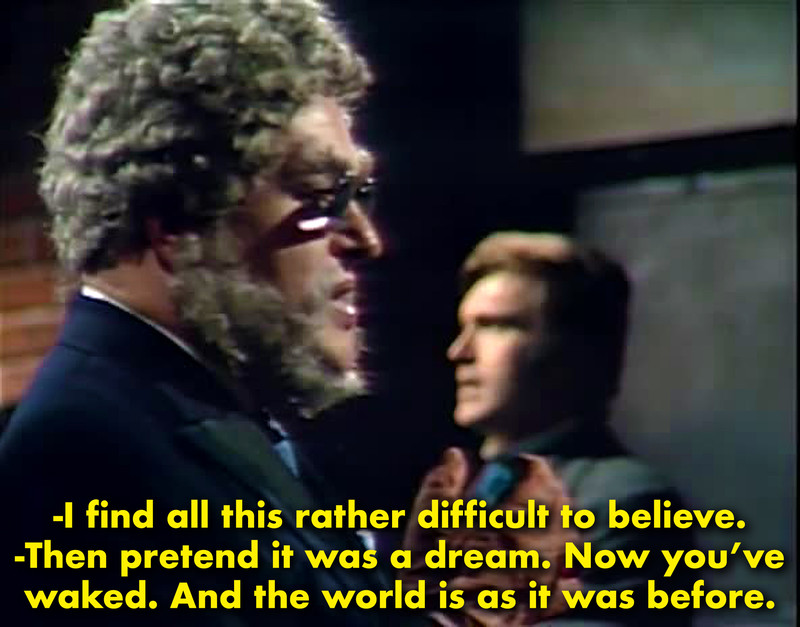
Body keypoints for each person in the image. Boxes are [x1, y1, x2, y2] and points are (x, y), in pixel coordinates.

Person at [0, 1, 489, 625]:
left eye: (358, 195)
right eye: (321, 197)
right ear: (177, 222)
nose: (366, 240)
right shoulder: (84, 447)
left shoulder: (209, 409)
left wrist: (425, 600)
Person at [441, 232, 694, 625]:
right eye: (464, 327)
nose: (459, 352)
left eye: (496, 326)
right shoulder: (466, 491)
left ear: (573, 351)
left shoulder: (624, 502)